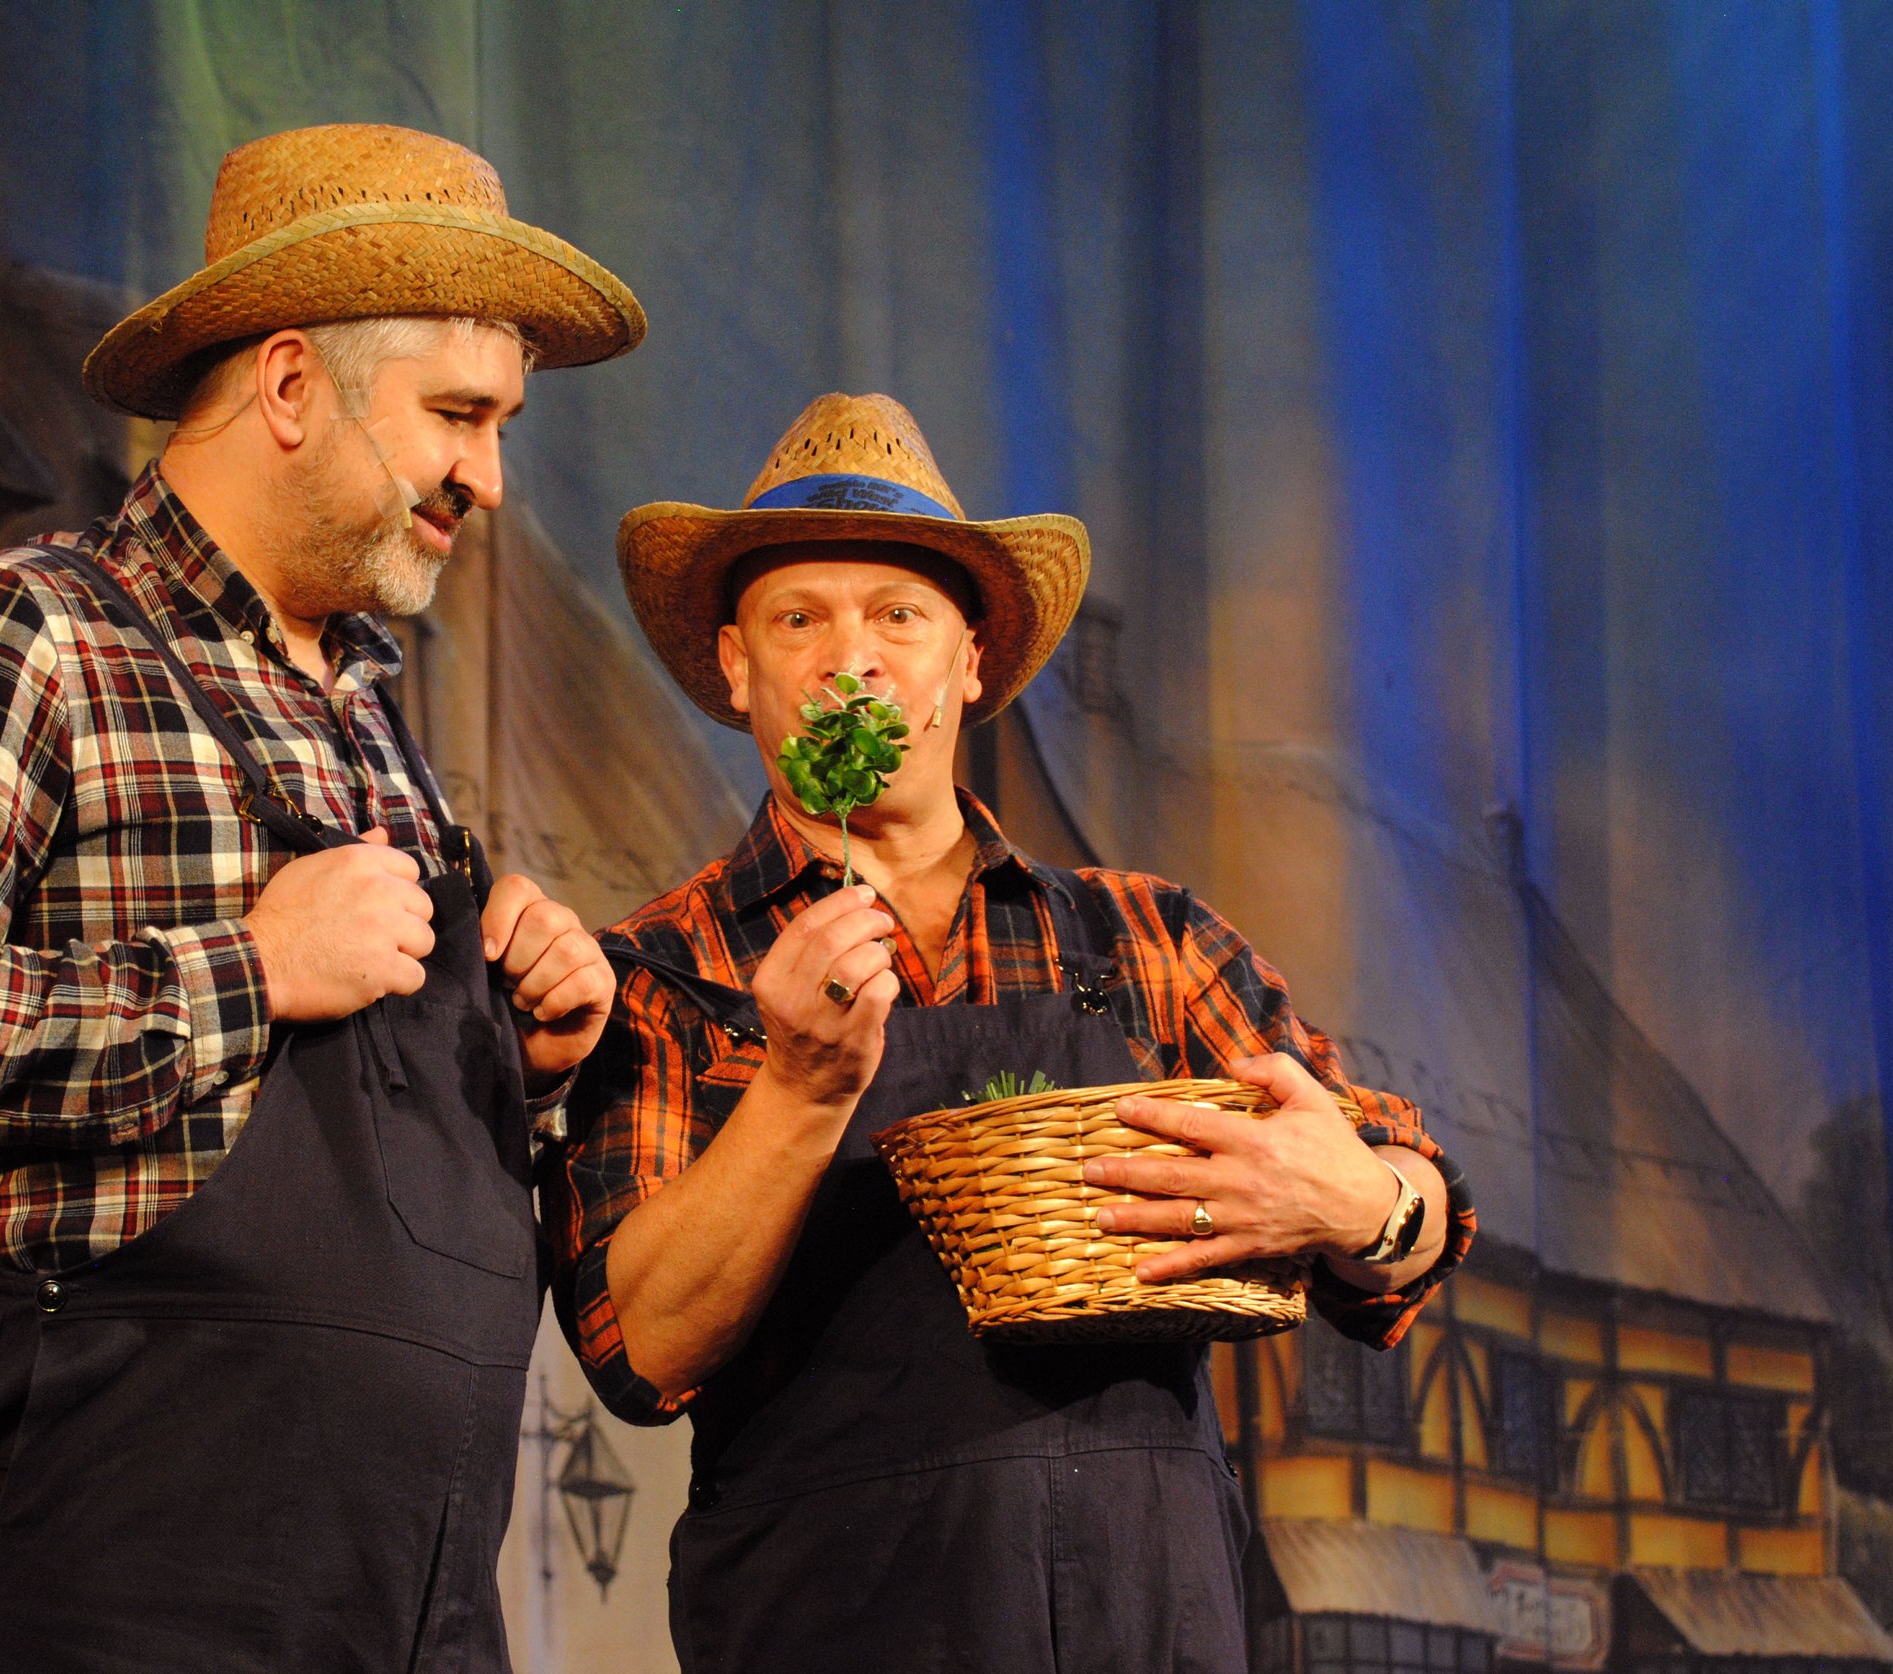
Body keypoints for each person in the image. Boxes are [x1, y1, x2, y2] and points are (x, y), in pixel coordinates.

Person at [0, 123, 644, 1674]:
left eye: (499, 426)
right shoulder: (25, 632)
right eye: (458, 415)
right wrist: (242, 972)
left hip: (413, 1598)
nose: (489, 478)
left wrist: (524, 1039)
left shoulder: (374, 727)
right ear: (292, 385)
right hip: (122, 1589)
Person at [546, 393, 1477, 1673]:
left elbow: (1418, 1217)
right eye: (797, 618)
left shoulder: (1143, 937)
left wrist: (1365, 1203)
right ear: (734, 665)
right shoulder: (667, 968)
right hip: (830, 1618)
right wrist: (800, 1092)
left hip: (1145, 1615)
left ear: (968, 662)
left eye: (899, 617)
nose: (850, 661)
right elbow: (635, 1351)